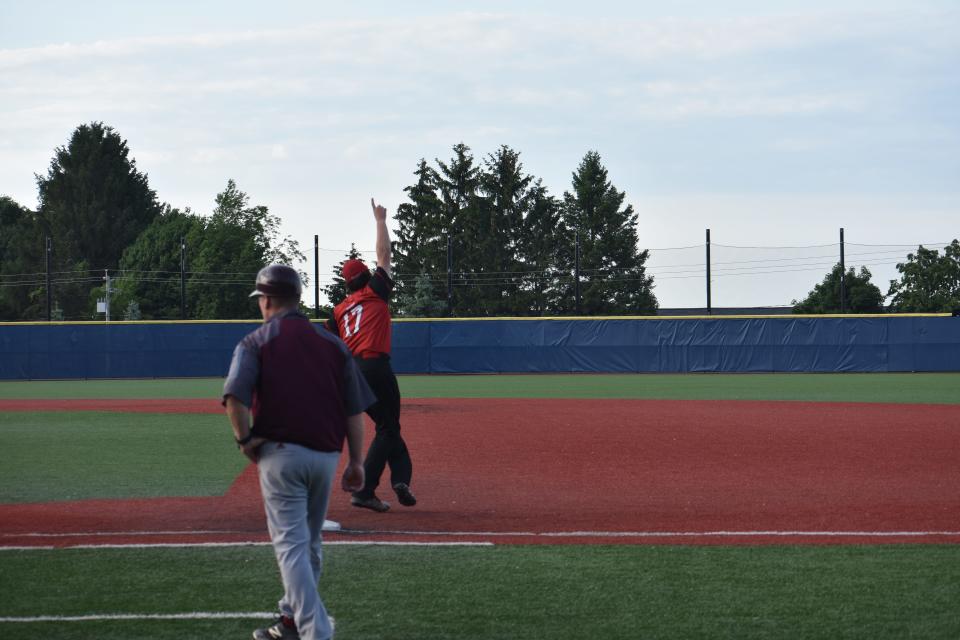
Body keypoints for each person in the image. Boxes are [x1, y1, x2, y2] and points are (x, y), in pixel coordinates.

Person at [224, 264, 374, 640]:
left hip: (280, 455)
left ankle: (315, 631)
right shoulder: (333, 344)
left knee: (291, 546)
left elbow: (234, 398)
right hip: (325, 457)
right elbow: (353, 410)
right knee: (309, 543)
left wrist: (244, 441)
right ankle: (291, 620)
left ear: (268, 300)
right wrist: (356, 461)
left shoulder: (256, 341)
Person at [326, 198, 415, 513]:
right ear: (366, 275)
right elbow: (385, 254)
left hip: (353, 374)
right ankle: (364, 490)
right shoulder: (376, 290)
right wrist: (380, 221)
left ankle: (400, 478)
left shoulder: (338, 310)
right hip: (376, 367)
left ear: (346, 283)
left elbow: (328, 346)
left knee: (387, 426)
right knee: (389, 428)